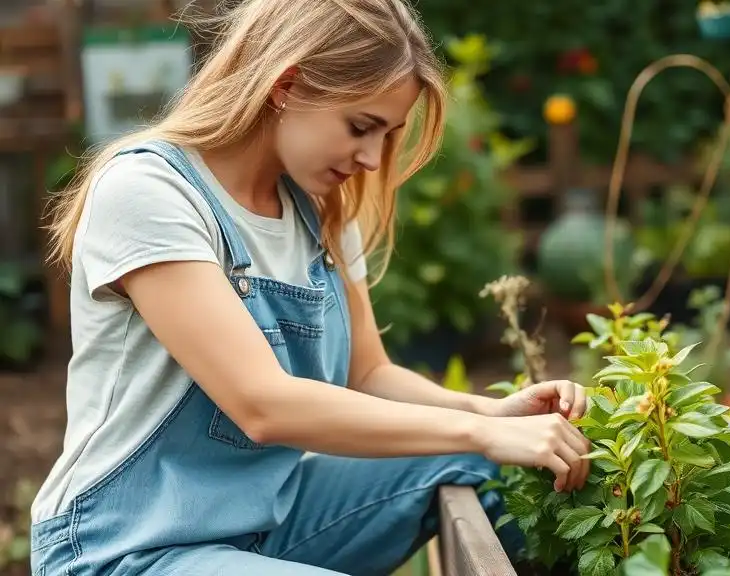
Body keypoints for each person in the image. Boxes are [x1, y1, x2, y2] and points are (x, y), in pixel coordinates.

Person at [30, 1, 592, 574]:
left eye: (389, 134)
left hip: (263, 522)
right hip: (128, 546)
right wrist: (477, 431)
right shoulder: (149, 192)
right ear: (287, 85)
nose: (373, 159)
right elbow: (261, 405)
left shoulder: (319, 210)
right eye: (361, 126)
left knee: (497, 465)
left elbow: (368, 375)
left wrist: (492, 415)